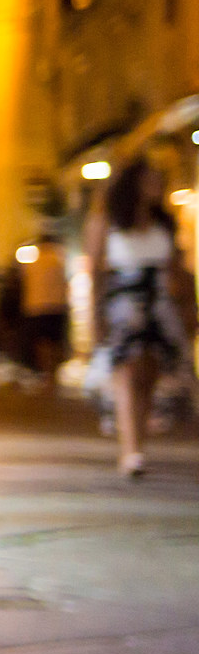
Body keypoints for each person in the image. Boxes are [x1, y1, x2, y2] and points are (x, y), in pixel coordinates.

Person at [85, 157, 189, 477]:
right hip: (123, 303)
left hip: (158, 303)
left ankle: (138, 444)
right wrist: (94, 316)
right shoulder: (108, 221)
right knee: (127, 373)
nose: (156, 187)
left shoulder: (165, 222)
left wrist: (187, 308)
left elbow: (177, 270)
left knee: (148, 375)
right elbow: (95, 272)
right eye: (150, 180)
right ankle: (130, 450)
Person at [18, 235, 71, 386]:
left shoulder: (33, 262)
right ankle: (53, 372)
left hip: (36, 308)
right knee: (55, 341)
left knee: (41, 342)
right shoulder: (59, 260)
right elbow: (64, 284)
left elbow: (26, 286)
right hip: (57, 307)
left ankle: (46, 372)